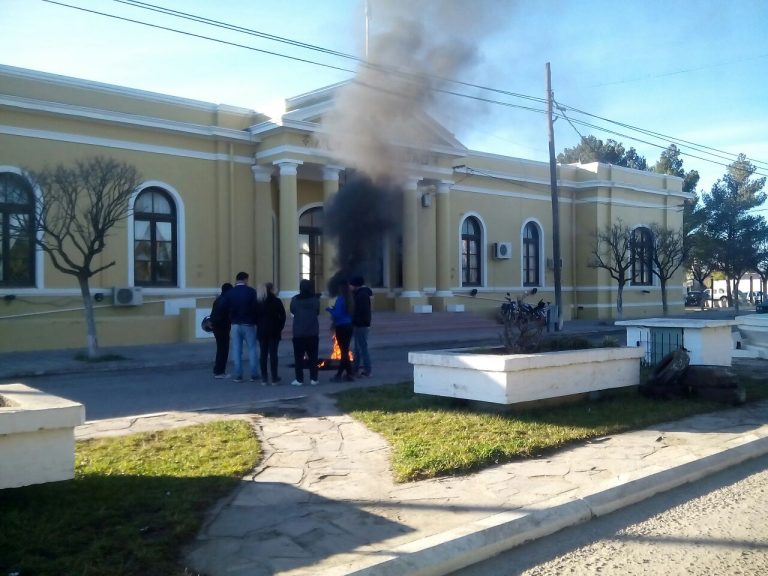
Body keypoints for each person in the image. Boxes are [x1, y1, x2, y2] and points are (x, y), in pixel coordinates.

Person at [219, 271, 259, 383]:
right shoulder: (251, 291)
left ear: (236, 280)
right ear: (245, 279)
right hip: (249, 323)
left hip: (235, 324)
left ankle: (238, 375)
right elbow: (256, 307)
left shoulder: (230, 293)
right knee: (252, 348)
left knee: (236, 350)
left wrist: (230, 315)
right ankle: (254, 374)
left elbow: (222, 306)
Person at [290, 279, 320, 387]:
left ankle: (299, 379)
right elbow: (317, 312)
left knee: (298, 358)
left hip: (298, 333)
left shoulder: (295, 299)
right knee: (313, 357)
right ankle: (314, 378)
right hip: (312, 332)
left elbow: (292, 311)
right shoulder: (315, 300)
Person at [255, 282, 286, 385]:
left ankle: (264, 378)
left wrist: (259, 325)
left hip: (262, 331)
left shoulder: (259, 301)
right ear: (272, 289)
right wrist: (280, 327)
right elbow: (283, 316)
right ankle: (274, 377)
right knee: (273, 354)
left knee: (263, 354)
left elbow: (254, 316)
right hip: (274, 331)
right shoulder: (276, 301)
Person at [327, 278, 355, 383]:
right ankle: (349, 374)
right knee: (345, 351)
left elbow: (337, 314)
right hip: (349, 326)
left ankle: (339, 375)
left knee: (344, 351)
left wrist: (330, 310)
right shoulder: (350, 299)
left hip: (341, 327)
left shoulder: (340, 299)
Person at [350, 275, 373, 377]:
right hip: (360, 324)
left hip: (361, 325)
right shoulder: (360, 294)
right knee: (358, 349)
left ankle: (367, 370)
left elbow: (361, 312)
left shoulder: (361, 296)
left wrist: (354, 321)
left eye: (351, 285)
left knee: (362, 349)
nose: (350, 286)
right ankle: (356, 369)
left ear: (355, 285)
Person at [210, 282, 233, 378]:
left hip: (216, 327)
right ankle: (220, 372)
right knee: (223, 350)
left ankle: (217, 370)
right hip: (223, 327)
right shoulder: (226, 301)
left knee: (220, 349)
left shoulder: (218, 299)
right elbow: (227, 315)